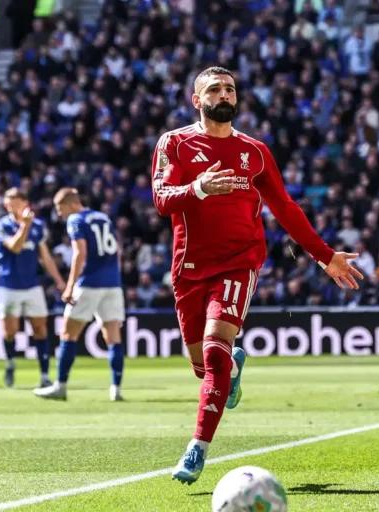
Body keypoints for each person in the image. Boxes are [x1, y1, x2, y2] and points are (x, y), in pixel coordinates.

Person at [151, 66, 364, 484]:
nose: (224, 94)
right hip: (188, 267)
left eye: (230, 88)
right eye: (214, 89)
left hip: (239, 261)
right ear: (197, 100)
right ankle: (234, 365)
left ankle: (198, 448)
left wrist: (324, 257)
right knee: (202, 365)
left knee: (214, 353)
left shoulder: (256, 152)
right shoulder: (174, 143)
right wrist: (198, 189)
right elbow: (161, 199)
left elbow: (285, 208)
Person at [34, 188, 126, 402]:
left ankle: (60, 386)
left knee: (68, 334)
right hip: (113, 284)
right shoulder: (103, 217)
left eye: (59, 208)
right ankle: (116, 389)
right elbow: (116, 250)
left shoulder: (76, 220)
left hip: (89, 283)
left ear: (70, 203)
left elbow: (80, 253)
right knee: (113, 337)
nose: (59, 213)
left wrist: (69, 286)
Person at [0, 188, 65, 388]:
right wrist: (24, 226)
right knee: (10, 331)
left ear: (25, 203)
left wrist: (59, 280)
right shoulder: (1, 226)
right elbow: (15, 247)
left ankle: (44, 375)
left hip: (32, 285)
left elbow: (45, 257)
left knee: (40, 328)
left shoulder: (38, 226)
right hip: (8, 286)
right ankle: (10, 363)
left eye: (15, 203)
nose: (11, 207)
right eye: (8, 203)